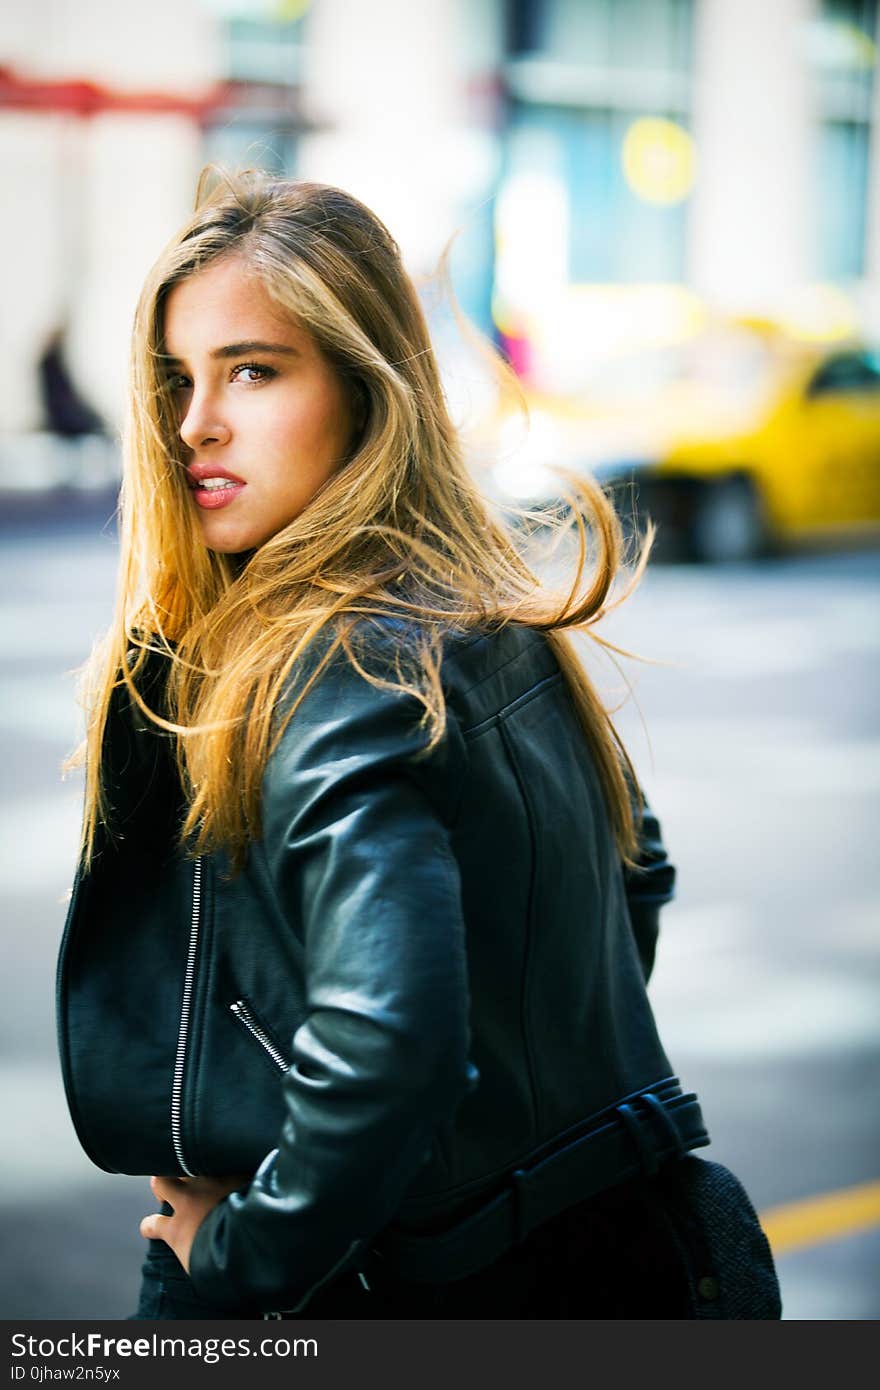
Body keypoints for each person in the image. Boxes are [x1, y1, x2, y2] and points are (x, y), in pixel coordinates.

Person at [57, 168, 777, 1321]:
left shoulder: (335, 657)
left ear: (363, 384)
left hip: (400, 1281)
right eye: (175, 379)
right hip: (620, 1237)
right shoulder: (487, 612)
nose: (195, 423)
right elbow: (634, 877)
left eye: (252, 369)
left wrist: (241, 1252)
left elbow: (392, 1046)